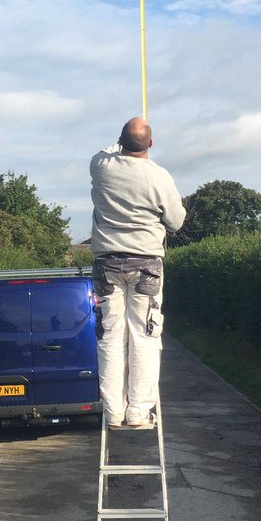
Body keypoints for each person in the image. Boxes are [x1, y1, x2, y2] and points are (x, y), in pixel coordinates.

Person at [89, 117, 186, 429]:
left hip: (107, 264)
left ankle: (113, 412)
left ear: (119, 141)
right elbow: (176, 222)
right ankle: (138, 413)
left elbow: (107, 150)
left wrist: (122, 141)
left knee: (110, 337)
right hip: (145, 264)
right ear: (152, 144)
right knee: (144, 338)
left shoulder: (101, 167)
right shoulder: (159, 177)